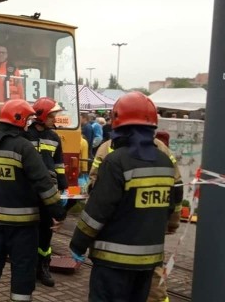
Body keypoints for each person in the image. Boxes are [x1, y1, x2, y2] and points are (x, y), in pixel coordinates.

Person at [70, 92, 178, 302]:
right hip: (148, 261)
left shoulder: (115, 161)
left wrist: (78, 243)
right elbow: (171, 205)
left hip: (113, 262)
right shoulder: (165, 162)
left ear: (119, 124)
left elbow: (96, 212)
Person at [0, 99, 66, 302]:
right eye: (28, 118)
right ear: (19, 119)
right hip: (24, 226)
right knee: (23, 268)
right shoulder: (23, 148)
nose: (29, 122)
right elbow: (43, 183)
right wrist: (58, 212)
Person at [89, 130, 183, 302]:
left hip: (114, 233)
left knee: (111, 282)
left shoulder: (106, 148)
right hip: (149, 230)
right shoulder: (160, 148)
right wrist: (172, 222)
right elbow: (176, 187)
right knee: (152, 280)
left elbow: (94, 186)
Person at [25, 97, 67, 287]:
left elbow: (58, 163)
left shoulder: (54, 137)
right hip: (29, 192)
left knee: (46, 231)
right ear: (41, 116)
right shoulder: (25, 135)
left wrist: (62, 184)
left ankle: (43, 267)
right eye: (52, 116)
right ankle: (28, 267)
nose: (54, 119)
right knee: (28, 231)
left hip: (48, 192)